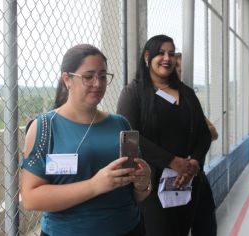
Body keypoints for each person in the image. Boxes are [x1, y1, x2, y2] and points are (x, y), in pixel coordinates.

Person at [21, 44, 151, 236]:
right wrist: (94, 185)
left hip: (129, 228)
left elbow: (136, 194)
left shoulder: (120, 124)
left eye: (103, 76)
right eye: (88, 77)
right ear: (67, 79)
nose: (97, 84)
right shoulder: (45, 127)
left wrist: (143, 183)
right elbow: (31, 198)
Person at [116, 35, 212, 236]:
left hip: (186, 181)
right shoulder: (133, 93)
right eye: (161, 53)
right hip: (151, 184)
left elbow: (203, 133)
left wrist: (193, 162)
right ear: (147, 56)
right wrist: (171, 161)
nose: (167, 58)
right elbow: (129, 137)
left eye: (171, 53)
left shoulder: (186, 93)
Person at [175, 52, 217, 236]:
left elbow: (212, 133)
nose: (181, 74)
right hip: (171, 176)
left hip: (196, 172)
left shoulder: (189, 99)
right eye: (178, 69)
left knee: (205, 224)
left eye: (184, 70)